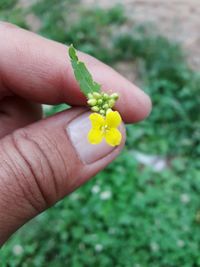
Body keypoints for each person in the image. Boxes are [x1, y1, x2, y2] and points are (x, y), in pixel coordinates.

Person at [0, 22, 151, 246]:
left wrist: (105, 121)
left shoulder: (107, 120)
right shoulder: (100, 119)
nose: (106, 128)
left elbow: (108, 123)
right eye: (104, 126)